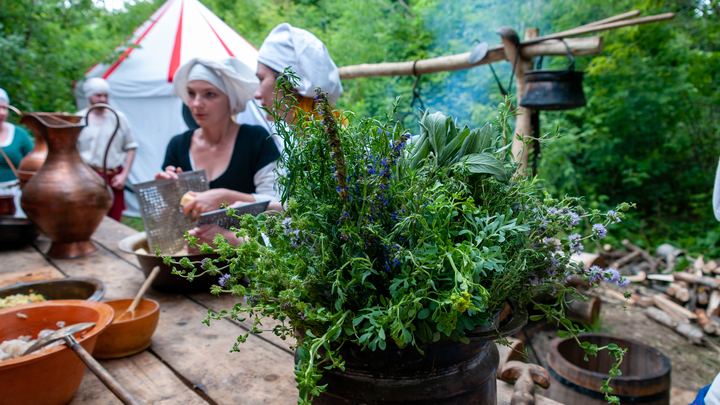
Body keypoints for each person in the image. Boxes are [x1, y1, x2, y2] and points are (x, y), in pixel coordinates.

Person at [157, 58, 281, 246]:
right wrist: (170, 194)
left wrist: (225, 196)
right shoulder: (178, 145)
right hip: (193, 258)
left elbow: (275, 205)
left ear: (230, 99)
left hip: (248, 257)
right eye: (191, 94)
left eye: (210, 94)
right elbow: (170, 220)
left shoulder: (255, 140)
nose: (197, 104)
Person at [77, 78, 138, 222]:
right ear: (89, 96)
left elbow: (131, 147)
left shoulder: (118, 118)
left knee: (114, 219)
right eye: (98, 95)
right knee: (90, 218)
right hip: (88, 177)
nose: (103, 99)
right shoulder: (78, 119)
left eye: (105, 95)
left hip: (114, 176)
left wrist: (124, 175)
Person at [0, 88, 33, 217]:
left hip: (14, 195)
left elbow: (34, 163)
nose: (1, 112)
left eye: (4, 108)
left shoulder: (19, 134)